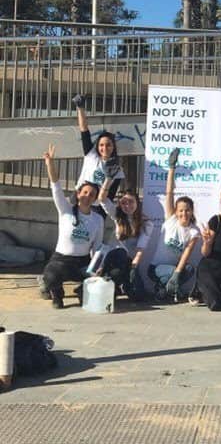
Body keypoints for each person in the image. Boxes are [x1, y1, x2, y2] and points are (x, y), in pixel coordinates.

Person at [40, 143, 105, 309]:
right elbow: (55, 186)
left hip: (82, 262)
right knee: (50, 275)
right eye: (85, 193)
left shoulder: (98, 220)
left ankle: (81, 290)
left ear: (95, 198)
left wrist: (97, 267)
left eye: (92, 195)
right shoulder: (66, 209)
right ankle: (56, 293)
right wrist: (50, 163)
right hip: (61, 259)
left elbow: (97, 248)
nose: (87, 196)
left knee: (99, 279)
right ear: (78, 194)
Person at [147, 147, 200, 301]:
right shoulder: (171, 219)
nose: (184, 213)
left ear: (192, 211)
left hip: (172, 269)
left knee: (188, 269)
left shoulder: (193, 231)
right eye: (181, 211)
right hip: (155, 269)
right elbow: (169, 192)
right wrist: (172, 168)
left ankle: (164, 291)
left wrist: (178, 273)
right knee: (174, 271)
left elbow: (186, 255)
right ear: (176, 212)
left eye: (187, 210)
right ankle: (168, 289)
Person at [97, 183, 152, 301]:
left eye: (131, 202)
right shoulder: (117, 216)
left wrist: (133, 268)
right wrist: (108, 179)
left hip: (130, 262)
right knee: (120, 255)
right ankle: (112, 283)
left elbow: (141, 247)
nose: (127, 205)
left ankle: (122, 285)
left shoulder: (146, 223)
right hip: (114, 259)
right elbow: (102, 199)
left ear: (137, 202)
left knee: (138, 295)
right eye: (123, 203)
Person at [72, 94, 125, 199]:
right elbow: (84, 130)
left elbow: (109, 197)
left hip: (96, 206)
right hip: (78, 198)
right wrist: (80, 108)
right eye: (101, 145)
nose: (104, 148)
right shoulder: (91, 154)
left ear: (113, 146)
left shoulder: (117, 170)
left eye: (108, 145)